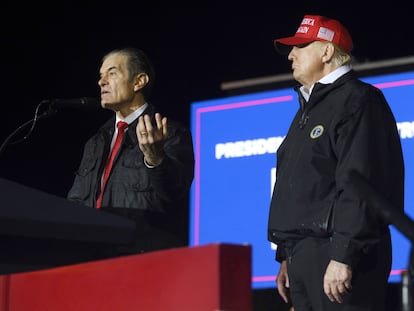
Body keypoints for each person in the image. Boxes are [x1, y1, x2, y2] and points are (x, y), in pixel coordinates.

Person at [267, 15, 405, 311]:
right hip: (304, 258)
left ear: (327, 52)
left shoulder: (359, 100)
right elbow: (300, 191)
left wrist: (344, 254)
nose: (291, 55)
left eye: (300, 47)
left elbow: (360, 184)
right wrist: (286, 258)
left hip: (338, 256)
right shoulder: (307, 110)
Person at [67, 47, 195, 256]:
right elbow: (76, 203)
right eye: (101, 76)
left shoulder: (170, 132)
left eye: (112, 73)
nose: (101, 82)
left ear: (139, 82)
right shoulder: (96, 142)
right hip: (92, 259)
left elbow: (175, 195)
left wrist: (155, 158)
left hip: (142, 259)